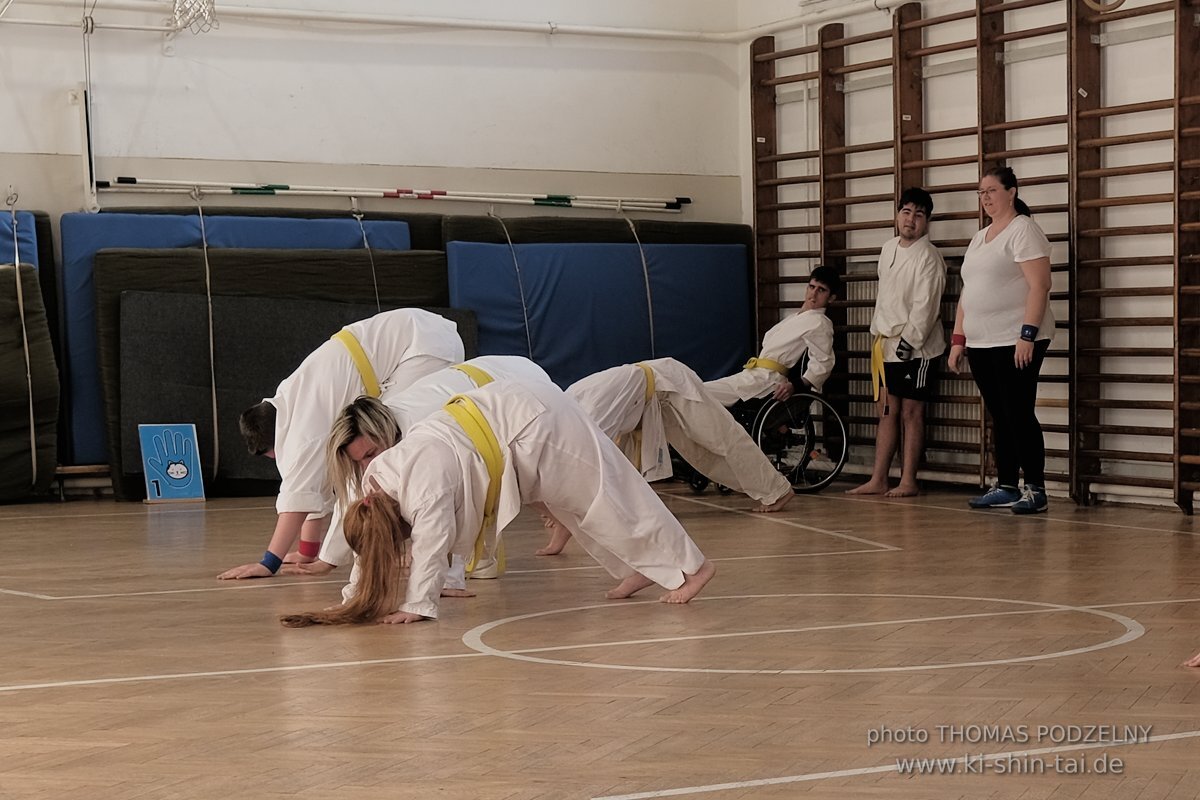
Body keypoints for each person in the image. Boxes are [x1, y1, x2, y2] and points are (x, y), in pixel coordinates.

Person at [279, 378, 716, 626]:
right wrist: (351, 594)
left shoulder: (421, 488)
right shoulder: (375, 485)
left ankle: (693, 568)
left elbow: (431, 547)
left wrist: (417, 605)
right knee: (575, 507)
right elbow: (369, 549)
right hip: (501, 429)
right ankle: (637, 567)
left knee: (607, 493)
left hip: (531, 420)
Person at [217, 308, 465, 580]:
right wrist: (307, 552)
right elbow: (312, 492)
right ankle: (407, 548)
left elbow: (297, 498)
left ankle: (431, 554)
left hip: (422, 347)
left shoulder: (300, 432)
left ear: (270, 448)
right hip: (423, 337)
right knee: (374, 464)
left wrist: (269, 562)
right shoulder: (292, 400)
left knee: (389, 460)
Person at [289, 355, 553, 595]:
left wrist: (445, 579)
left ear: (384, 435)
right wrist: (328, 560)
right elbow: (355, 500)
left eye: (371, 454)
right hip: (482, 381)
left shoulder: (423, 431)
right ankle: (556, 520)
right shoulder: (381, 434)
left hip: (517, 384)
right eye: (360, 461)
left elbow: (451, 499)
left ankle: (558, 519)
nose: (368, 466)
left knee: (527, 478)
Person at [947, 166, 1053, 514]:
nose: (986, 198)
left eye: (992, 190)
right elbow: (969, 291)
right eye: (981, 192)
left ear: (1012, 192)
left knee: (1019, 412)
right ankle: (1007, 484)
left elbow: (1040, 286)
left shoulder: (1024, 230)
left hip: (1016, 338)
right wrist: (958, 339)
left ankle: (1035, 488)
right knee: (999, 414)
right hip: (982, 341)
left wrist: (1028, 334)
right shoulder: (980, 237)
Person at [848, 187, 946, 497]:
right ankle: (879, 478)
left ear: (926, 221)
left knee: (911, 413)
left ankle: (909, 481)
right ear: (897, 215)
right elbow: (886, 299)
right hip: (886, 343)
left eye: (919, 214)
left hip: (917, 348)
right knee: (887, 411)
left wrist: (909, 342)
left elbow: (926, 306)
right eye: (906, 212)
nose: (911, 219)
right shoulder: (888, 247)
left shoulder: (929, 257)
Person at [702, 266, 839, 406]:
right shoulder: (796, 318)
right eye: (811, 287)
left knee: (699, 393)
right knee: (696, 389)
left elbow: (824, 362)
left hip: (767, 380)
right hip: (754, 374)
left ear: (831, 298)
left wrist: (796, 385)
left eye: (821, 290)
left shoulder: (819, 322)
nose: (813, 294)